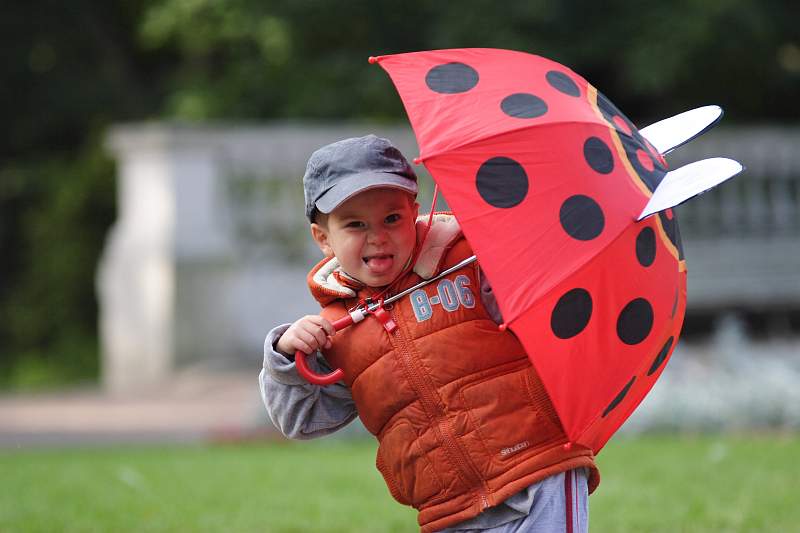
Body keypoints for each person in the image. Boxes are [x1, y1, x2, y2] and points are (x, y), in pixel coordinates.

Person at [259, 135, 599, 532]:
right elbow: (301, 420)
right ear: (323, 238)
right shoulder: (337, 329)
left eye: (392, 219)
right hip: (448, 505)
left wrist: (508, 265)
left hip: (539, 466)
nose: (378, 236)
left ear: (415, 213)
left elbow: (544, 317)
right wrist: (286, 355)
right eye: (355, 225)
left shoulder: (467, 262)